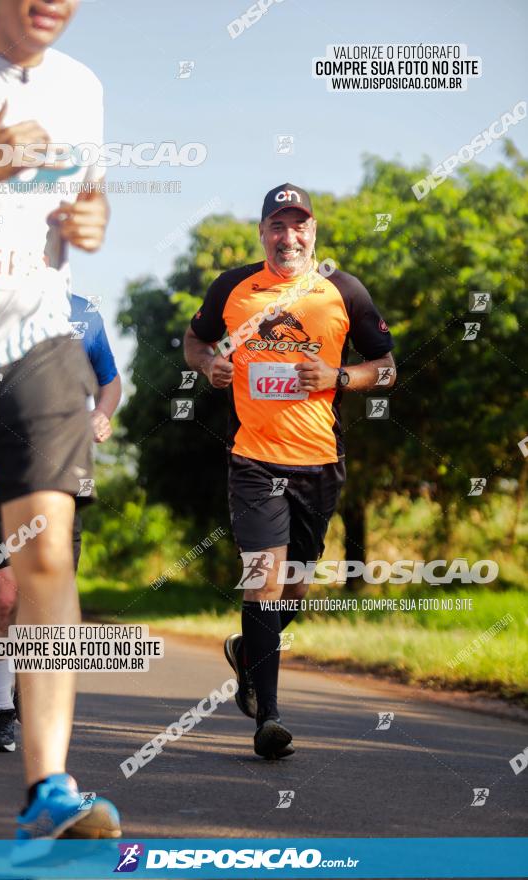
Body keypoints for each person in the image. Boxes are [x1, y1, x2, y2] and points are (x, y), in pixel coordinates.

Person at [0, 0, 120, 839]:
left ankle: (48, 787)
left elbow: (92, 198)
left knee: (46, 551)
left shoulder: (83, 87)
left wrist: (92, 221)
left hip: (39, 339)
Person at [184, 183, 396, 760]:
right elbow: (195, 341)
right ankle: (268, 719)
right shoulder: (232, 287)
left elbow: (386, 368)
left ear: (313, 233)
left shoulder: (343, 291)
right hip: (253, 459)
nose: (288, 236)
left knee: (295, 585)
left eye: (298, 225)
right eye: (277, 225)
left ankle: (248, 650)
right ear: (262, 233)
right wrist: (209, 365)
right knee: (265, 580)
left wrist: (339, 377)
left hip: (319, 462)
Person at [0, 294, 121, 753]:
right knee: (6, 596)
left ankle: (30, 699)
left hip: (60, 479)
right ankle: (1, 710)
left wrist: (101, 414)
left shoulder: (84, 313)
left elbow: (109, 381)